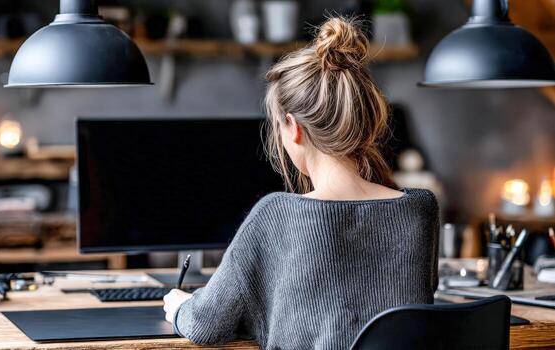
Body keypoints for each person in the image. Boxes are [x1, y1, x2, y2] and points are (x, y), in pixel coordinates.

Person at [163, 16, 439, 349]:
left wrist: (179, 307)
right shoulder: (420, 208)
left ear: (293, 128)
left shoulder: (276, 214)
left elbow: (208, 324)